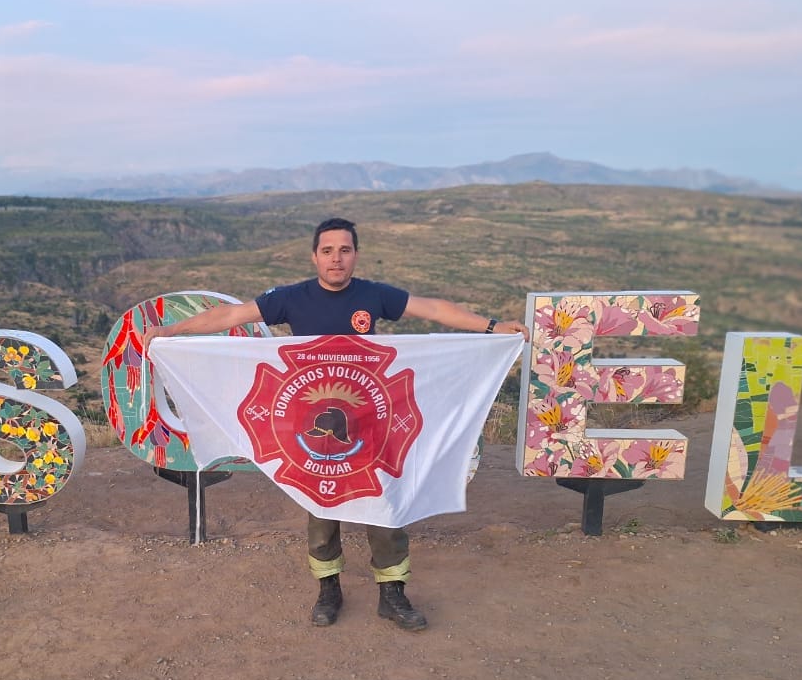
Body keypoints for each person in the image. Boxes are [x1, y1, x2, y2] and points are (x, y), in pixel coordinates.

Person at [143, 217, 529, 633]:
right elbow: (231, 316)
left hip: (371, 422)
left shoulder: (374, 295)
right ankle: (329, 590)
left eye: (344, 250)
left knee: (384, 504)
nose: (336, 258)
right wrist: (170, 331)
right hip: (311, 429)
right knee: (322, 509)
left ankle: (392, 595)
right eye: (327, 250)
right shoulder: (291, 299)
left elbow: (432, 308)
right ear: (314, 256)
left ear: (355, 255)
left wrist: (492, 327)